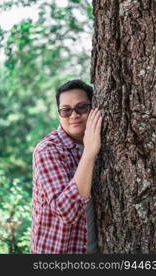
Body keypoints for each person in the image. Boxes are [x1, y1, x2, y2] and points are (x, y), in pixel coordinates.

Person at [31, 79, 102, 254]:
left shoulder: (101, 141)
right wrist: (90, 152)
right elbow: (65, 211)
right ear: (59, 114)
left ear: (93, 108)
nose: (74, 115)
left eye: (81, 107)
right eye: (66, 110)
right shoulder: (47, 150)